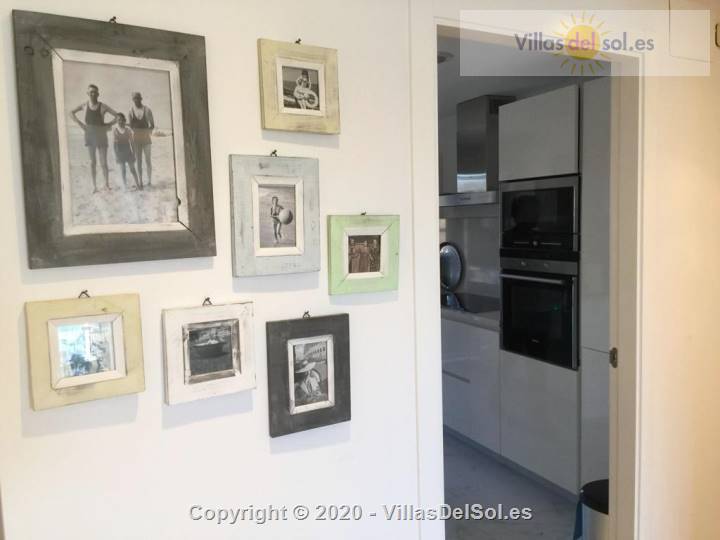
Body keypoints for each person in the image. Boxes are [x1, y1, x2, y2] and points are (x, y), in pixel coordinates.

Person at [70, 84, 118, 193]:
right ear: (87, 93)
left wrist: (108, 125)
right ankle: (94, 186)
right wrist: (80, 124)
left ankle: (106, 185)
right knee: (92, 162)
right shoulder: (84, 105)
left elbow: (117, 116)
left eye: (95, 92)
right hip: (89, 135)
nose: (93, 94)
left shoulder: (103, 106)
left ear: (98, 94)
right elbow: (70, 113)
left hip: (101, 135)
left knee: (103, 162)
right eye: (91, 92)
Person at [128, 91, 155, 187]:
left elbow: (152, 125)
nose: (136, 100)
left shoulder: (147, 110)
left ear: (141, 99)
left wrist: (147, 132)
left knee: (148, 160)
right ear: (133, 100)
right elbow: (131, 126)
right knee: (138, 161)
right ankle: (140, 182)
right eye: (134, 98)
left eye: (138, 98)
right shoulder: (131, 111)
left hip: (146, 139)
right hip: (136, 140)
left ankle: (149, 181)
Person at [112, 113, 142, 191]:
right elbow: (114, 145)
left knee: (132, 169)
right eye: (118, 120)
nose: (120, 121)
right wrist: (116, 155)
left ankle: (138, 184)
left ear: (124, 120)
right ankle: (124, 186)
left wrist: (134, 154)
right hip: (120, 152)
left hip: (128, 152)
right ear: (116, 121)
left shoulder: (128, 130)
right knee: (123, 170)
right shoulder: (115, 130)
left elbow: (132, 143)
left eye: (122, 120)